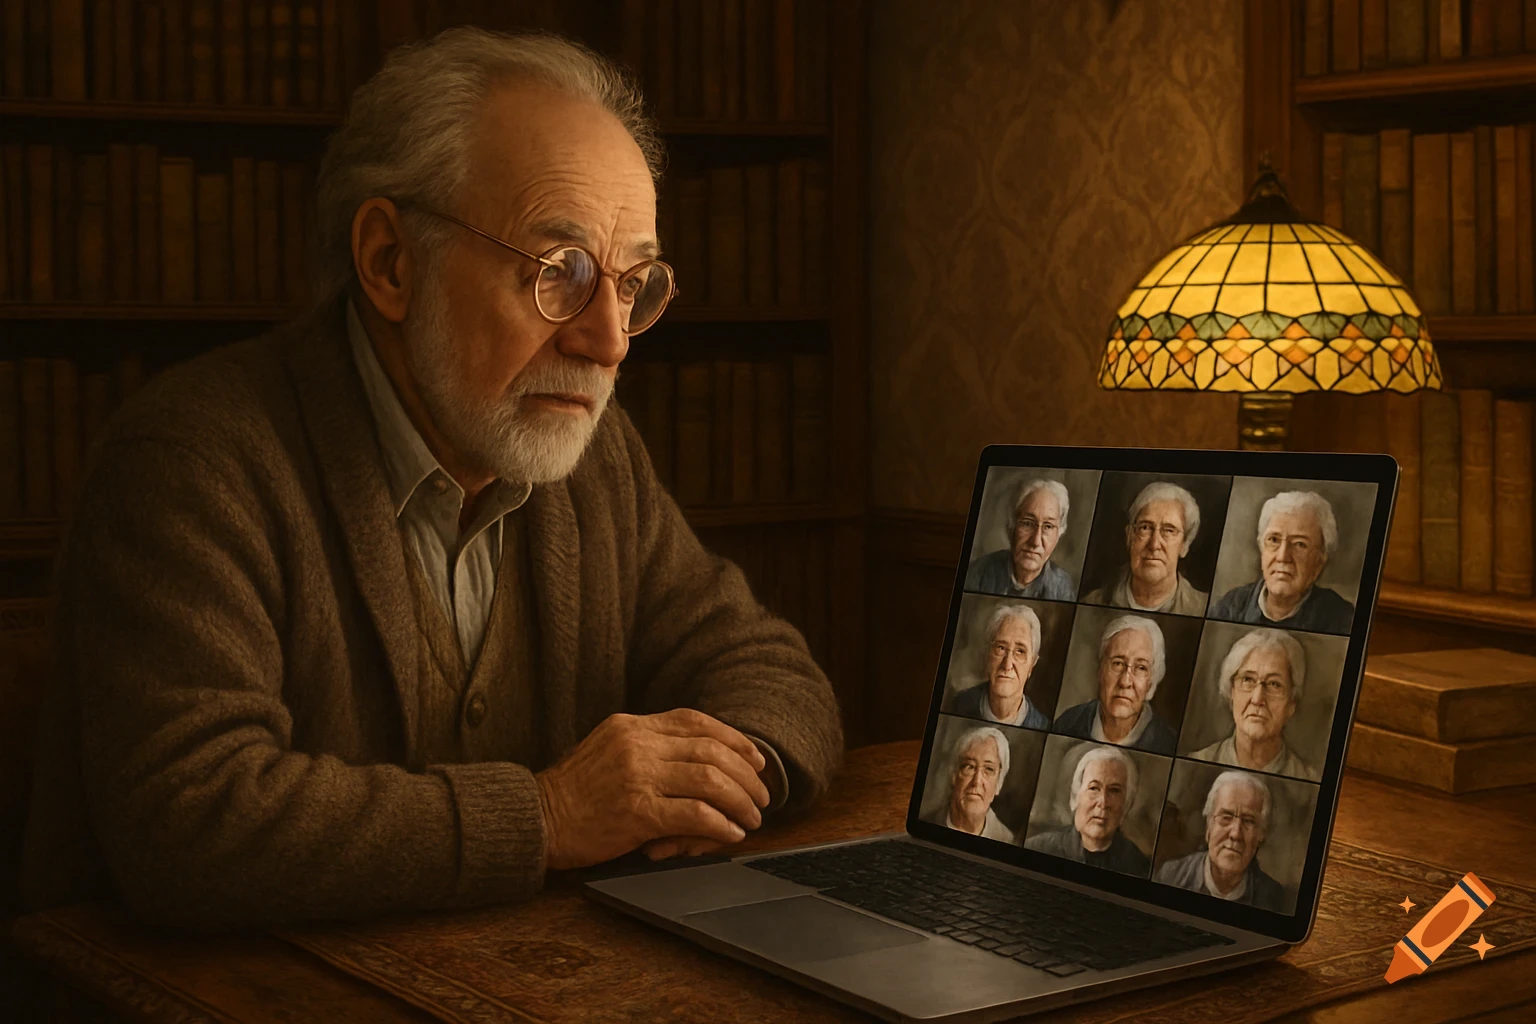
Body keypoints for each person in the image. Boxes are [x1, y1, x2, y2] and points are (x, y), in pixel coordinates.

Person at [18, 29, 842, 932]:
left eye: (634, 283)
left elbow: (773, 671)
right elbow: (191, 820)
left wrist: (718, 774)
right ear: (390, 262)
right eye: (557, 273)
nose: (608, 341)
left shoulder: (594, 460)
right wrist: (552, 815)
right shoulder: (193, 459)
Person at [1209, 491, 1355, 634]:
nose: (1283, 556)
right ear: (1262, 549)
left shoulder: (1342, 619)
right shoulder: (1229, 607)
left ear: (1320, 561)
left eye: (1300, 544)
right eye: (1274, 540)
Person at [1189, 629, 1319, 781]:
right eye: (1248, 680)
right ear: (1232, 692)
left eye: (1274, 684)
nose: (1257, 699)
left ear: (1291, 703)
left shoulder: (1309, 779)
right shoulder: (1195, 765)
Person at [1154, 771, 1288, 912]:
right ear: (1209, 827)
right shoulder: (1170, 876)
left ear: (1260, 835)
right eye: (1226, 817)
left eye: (1248, 821)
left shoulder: (1272, 897)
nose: (1235, 834)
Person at [1053, 616, 1179, 755]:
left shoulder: (1168, 744)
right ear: (1101, 670)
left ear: (1151, 681)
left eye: (1141, 667)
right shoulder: (1068, 724)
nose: (1125, 682)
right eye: (1117, 663)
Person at [1083, 482, 1208, 616]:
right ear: (1130, 536)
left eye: (1169, 531)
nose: (1154, 545)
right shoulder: (1092, 602)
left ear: (1185, 545)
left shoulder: (1203, 609)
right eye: (1145, 528)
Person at [1024, 745, 1150, 875]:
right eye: (1094, 788)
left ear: (1126, 804)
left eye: (1114, 790)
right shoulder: (1039, 848)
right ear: (1075, 796)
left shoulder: (1138, 865)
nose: (1103, 802)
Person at [965, 478, 1077, 600]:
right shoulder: (978, 572)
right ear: (1011, 525)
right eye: (1027, 523)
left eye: (1048, 526)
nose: (1035, 541)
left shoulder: (1063, 586)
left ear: (1059, 534)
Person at [946, 604, 1051, 729]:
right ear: (988, 654)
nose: (1007, 665)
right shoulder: (960, 705)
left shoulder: (1043, 726)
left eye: (1020, 651)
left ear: (1032, 664)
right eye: (1001, 648)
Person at [932, 727, 1016, 842]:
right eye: (969, 767)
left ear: (999, 784)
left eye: (989, 769)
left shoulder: (1007, 839)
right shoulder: (928, 822)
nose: (976, 781)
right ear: (954, 775)